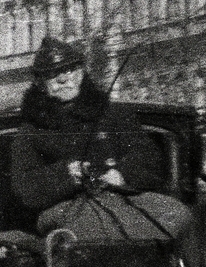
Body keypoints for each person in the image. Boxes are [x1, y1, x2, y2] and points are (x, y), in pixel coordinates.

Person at [11, 37, 191, 240]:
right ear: (41, 84)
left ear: (81, 73)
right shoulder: (32, 130)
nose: (63, 79)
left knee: (179, 215)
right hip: (66, 208)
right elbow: (24, 186)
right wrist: (67, 173)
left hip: (126, 199)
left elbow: (147, 156)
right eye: (53, 74)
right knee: (88, 233)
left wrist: (122, 174)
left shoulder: (113, 114)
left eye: (69, 70)